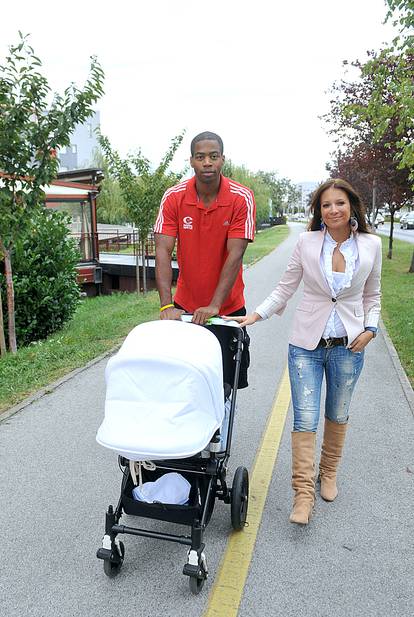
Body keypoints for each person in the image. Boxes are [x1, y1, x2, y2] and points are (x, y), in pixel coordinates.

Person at [228, 178, 382, 524]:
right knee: (304, 419)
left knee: (338, 414)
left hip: (349, 346)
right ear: (319, 211)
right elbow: (285, 287)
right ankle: (302, 495)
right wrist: (256, 314)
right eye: (326, 205)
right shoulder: (307, 242)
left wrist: (370, 329)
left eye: (339, 203)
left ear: (352, 205)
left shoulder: (370, 245)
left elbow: (373, 295)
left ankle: (328, 474)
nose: (333, 210)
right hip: (305, 347)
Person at [154, 131, 256, 389]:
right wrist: (167, 306)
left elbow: (236, 254)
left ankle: (217, 428)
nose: (207, 162)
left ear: (223, 159)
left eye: (213, 156)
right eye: (200, 157)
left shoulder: (240, 197)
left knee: (224, 383)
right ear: (191, 161)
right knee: (184, 381)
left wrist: (215, 305)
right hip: (185, 307)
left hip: (227, 309)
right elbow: (163, 251)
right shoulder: (174, 197)